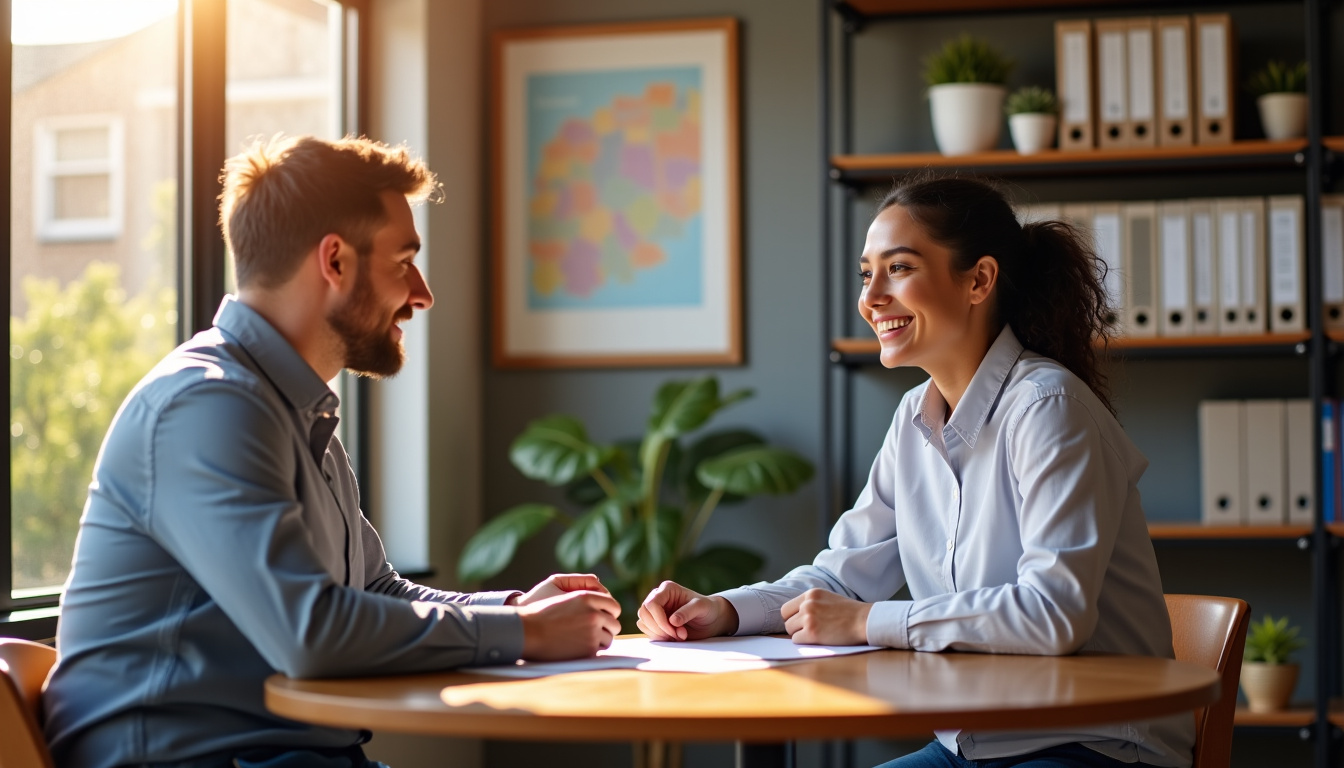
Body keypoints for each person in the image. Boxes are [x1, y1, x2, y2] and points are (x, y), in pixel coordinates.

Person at [42, 135, 622, 768]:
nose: (422, 294)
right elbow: (310, 634)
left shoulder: (290, 409)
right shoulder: (207, 407)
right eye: (404, 262)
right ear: (336, 261)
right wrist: (526, 636)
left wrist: (514, 609)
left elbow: (375, 590)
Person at [638, 175, 1194, 768]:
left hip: (1091, 747)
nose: (871, 297)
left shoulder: (1049, 407)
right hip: (970, 746)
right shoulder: (913, 418)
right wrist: (725, 611)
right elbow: (844, 580)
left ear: (979, 279)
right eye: (865, 273)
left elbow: (1052, 615)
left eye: (898, 268)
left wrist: (868, 621)